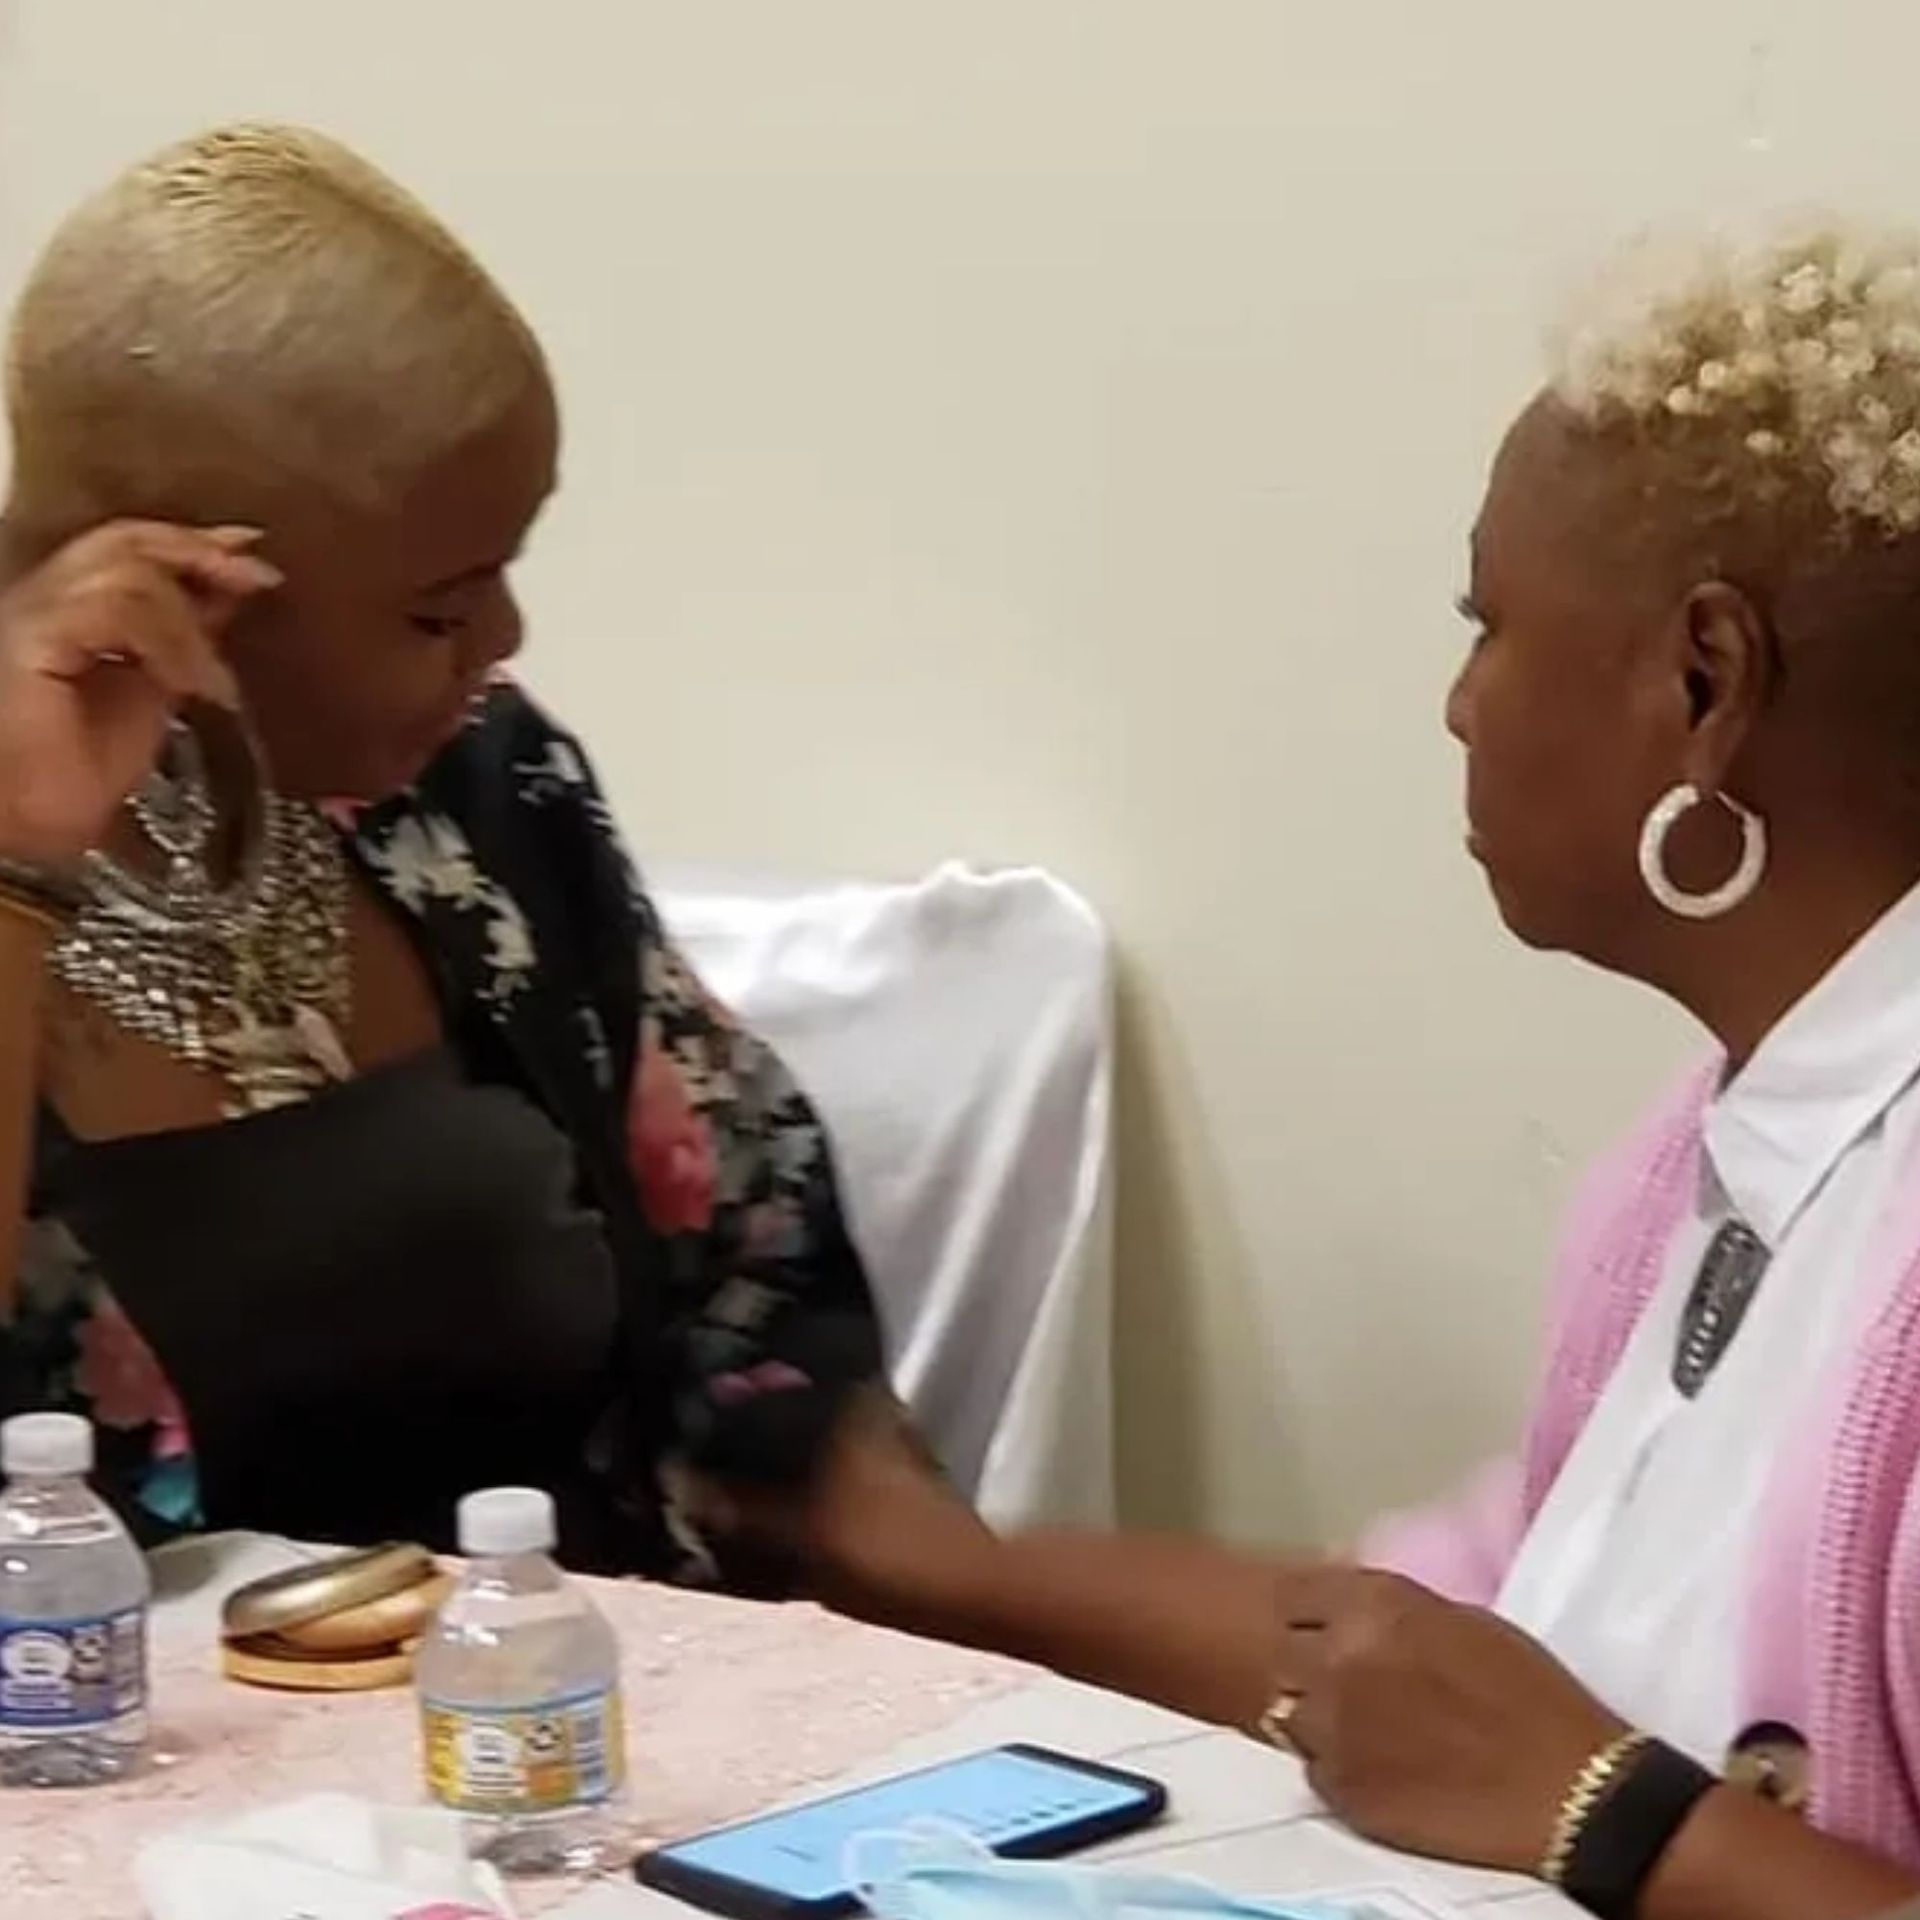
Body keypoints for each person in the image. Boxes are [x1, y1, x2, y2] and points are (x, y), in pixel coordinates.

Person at [729, 230, 1920, 1918]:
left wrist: (1603, 1811)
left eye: (1488, 622)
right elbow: (1418, 1662)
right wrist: (928, 1561)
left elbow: (1545, 1755)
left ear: (1705, 684)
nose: (1456, 706)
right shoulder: (1733, 1146)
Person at [0, 124, 883, 1578]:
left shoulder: (478, 796)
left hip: (543, 1719)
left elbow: (750, 1310)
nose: (505, 645)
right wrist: (23, 873)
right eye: (440, 606)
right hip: (100, 1768)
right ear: (180, 581)